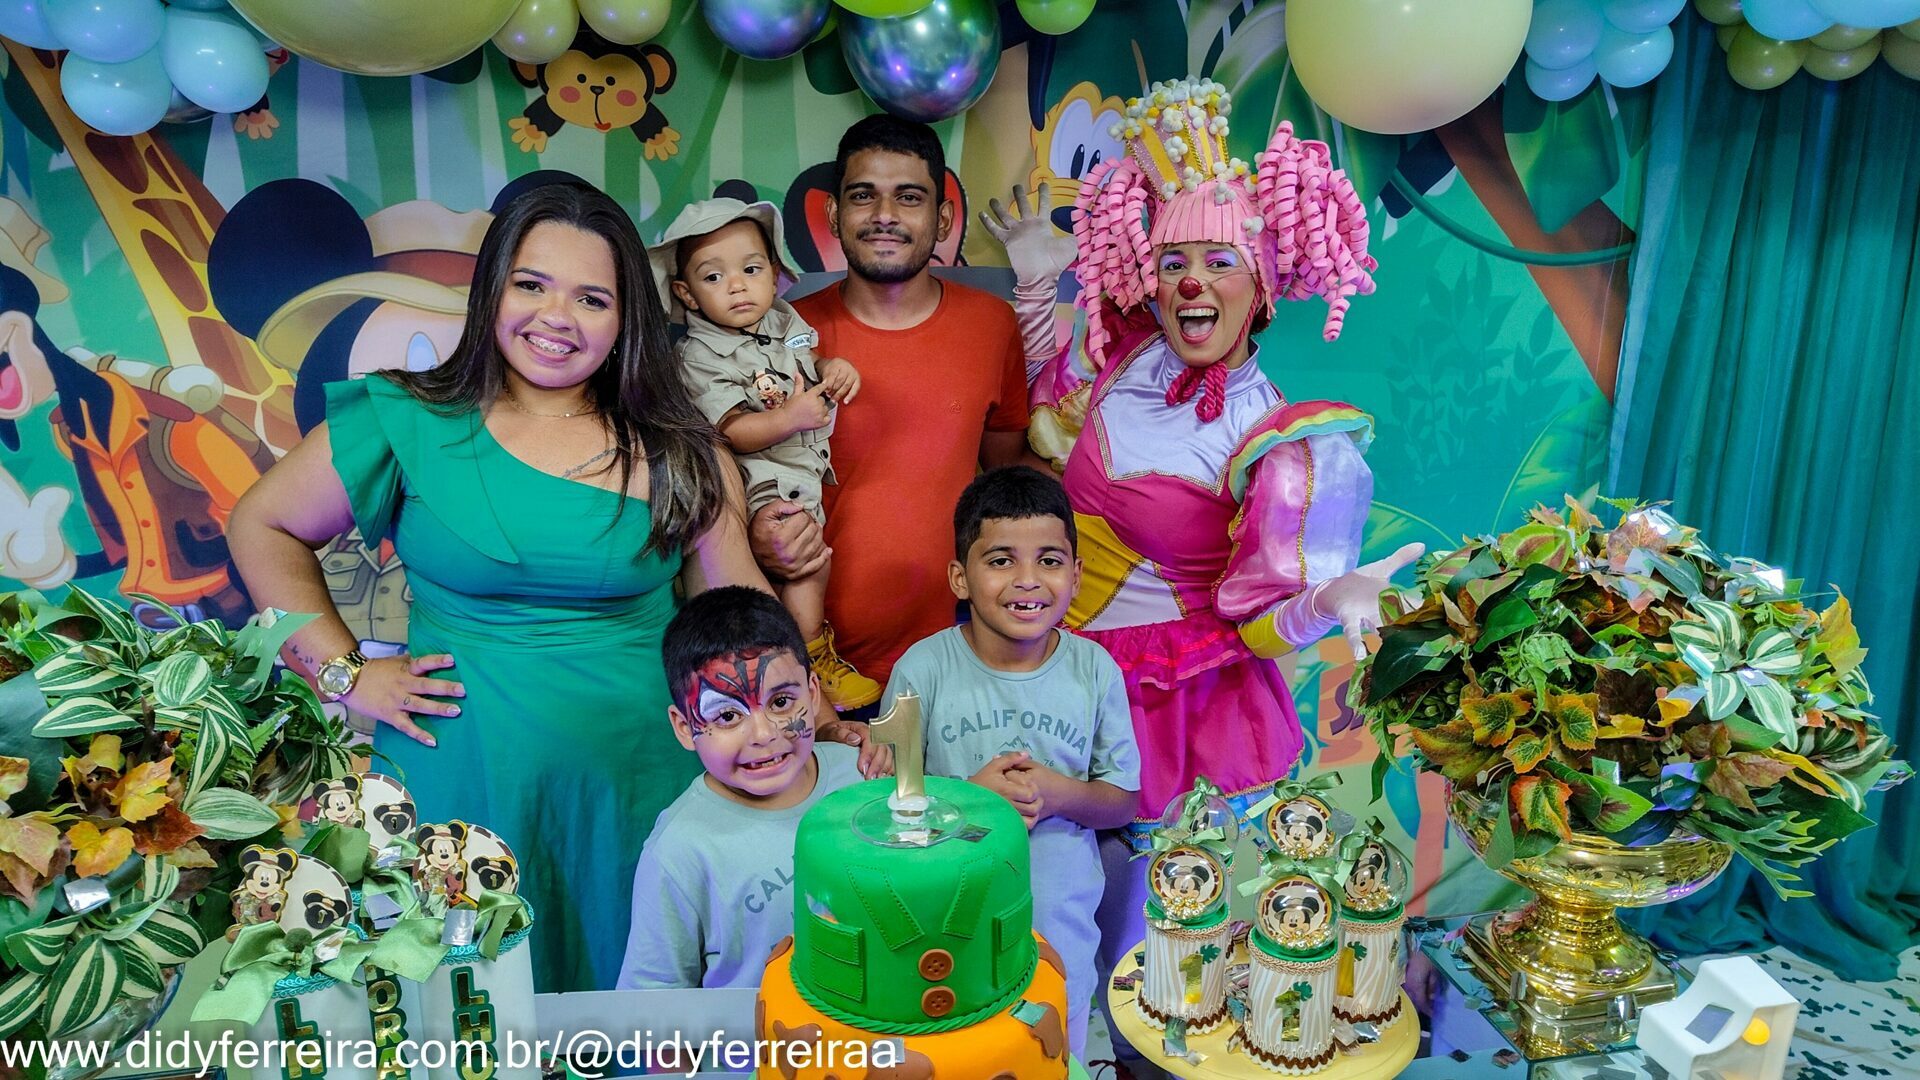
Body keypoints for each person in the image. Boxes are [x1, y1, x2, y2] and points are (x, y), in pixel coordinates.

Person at [229, 181, 775, 993]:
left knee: (641, 1012)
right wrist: (344, 674)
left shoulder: (681, 450)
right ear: (492, 289)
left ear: (627, 317)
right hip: (463, 782)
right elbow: (261, 525)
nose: (557, 317)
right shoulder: (405, 416)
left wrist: (817, 727)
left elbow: (740, 624)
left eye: (592, 298)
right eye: (532, 284)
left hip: (641, 787)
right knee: (474, 1010)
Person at [981, 76, 1421, 1064]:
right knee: (1045, 917)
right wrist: (1035, 282)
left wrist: (1328, 597)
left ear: (1261, 287)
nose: (1191, 283)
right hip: (1059, 671)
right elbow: (1050, 419)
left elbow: (1263, 618)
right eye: (1174, 261)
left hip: (1186, 703)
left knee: (1159, 948)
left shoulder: (1279, 440)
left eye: (1220, 262)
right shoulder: (1119, 358)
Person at [752, 114, 1042, 695]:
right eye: (864, 196)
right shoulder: (778, 335)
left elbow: (1008, 477)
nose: (884, 215)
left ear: (943, 219)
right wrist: (758, 531)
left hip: (959, 662)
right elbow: (731, 478)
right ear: (834, 215)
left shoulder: (991, 326)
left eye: (909, 197)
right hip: (812, 673)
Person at [882, 466, 1140, 1060]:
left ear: (1077, 575)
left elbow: (1123, 801)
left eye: (1049, 560)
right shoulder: (921, 670)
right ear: (960, 577)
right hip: (944, 926)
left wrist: (1056, 792)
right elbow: (888, 816)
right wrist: (971, 800)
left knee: (1053, 1054)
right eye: (1001, 560)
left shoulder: (1096, 671)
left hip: (1060, 926)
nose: (1028, 580)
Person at [648, 198, 879, 711]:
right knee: (806, 563)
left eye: (751, 270)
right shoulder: (698, 355)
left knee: (809, 561)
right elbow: (731, 431)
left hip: (802, 471)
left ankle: (799, 659)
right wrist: (790, 418)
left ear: (774, 275)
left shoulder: (783, 320)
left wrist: (832, 367)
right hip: (761, 479)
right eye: (714, 277)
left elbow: (807, 357)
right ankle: (808, 657)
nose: (737, 286)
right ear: (686, 293)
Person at [618, 586, 881, 990]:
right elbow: (654, 1005)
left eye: (781, 702)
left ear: (813, 694)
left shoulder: (863, 774)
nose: (763, 734)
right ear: (685, 728)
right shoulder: (679, 851)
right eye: (726, 716)